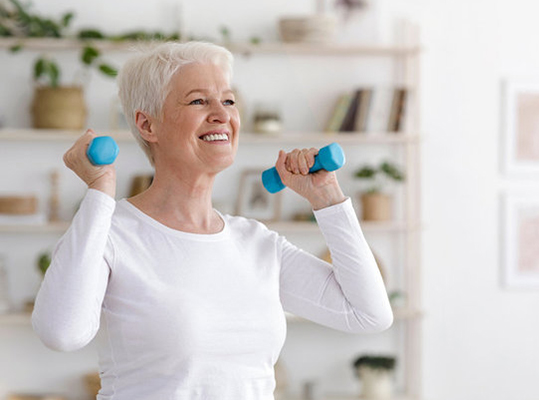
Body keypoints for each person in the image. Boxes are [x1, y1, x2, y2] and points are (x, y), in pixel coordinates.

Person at [32, 41, 393, 400]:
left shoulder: (257, 243)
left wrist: (327, 198)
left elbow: (368, 314)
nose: (222, 114)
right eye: (198, 101)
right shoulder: (112, 234)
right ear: (147, 124)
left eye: (229, 101)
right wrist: (99, 192)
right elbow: (62, 333)